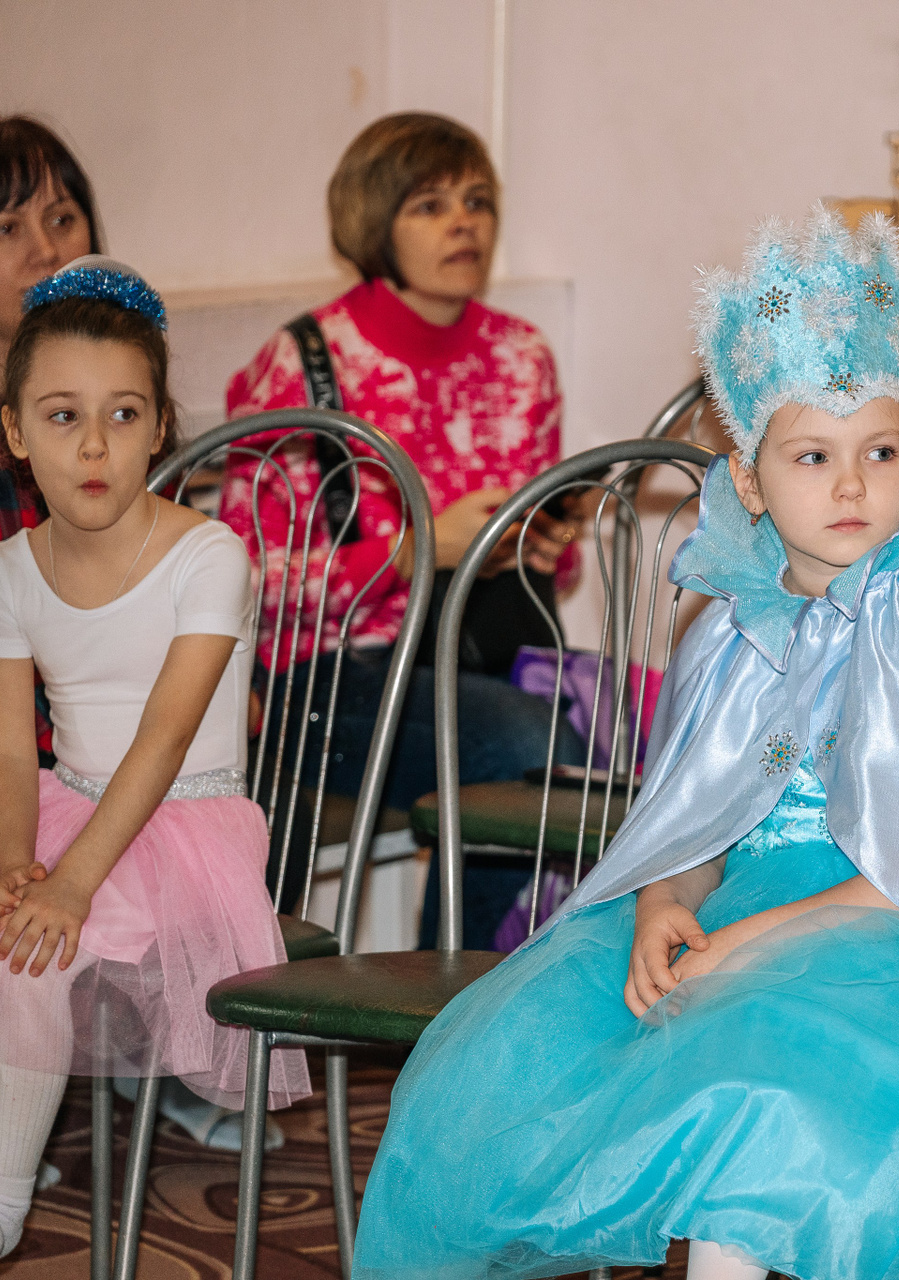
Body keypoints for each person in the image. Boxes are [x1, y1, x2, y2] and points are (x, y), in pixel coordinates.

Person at [350, 206, 899, 1280]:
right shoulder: (728, 628)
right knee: (495, 1080)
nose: (850, 485)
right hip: (743, 917)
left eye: (879, 452)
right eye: (812, 455)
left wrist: (746, 940)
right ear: (749, 479)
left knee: (749, 1093)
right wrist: (664, 903)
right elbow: (691, 817)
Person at [0, 259, 309, 1280]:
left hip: (179, 823)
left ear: (159, 429)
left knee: (32, 951)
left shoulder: (209, 554)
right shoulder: (7, 573)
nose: (94, 445)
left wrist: (66, 885)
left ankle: (3, 1199)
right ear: (16, 431)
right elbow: (8, 748)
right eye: (62, 416)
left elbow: (163, 740)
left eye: (123, 414)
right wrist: (16, 864)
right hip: (62, 808)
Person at [220, 112, 576, 950]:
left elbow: (546, 580)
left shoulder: (524, 357)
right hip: (322, 680)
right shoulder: (302, 364)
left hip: (468, 657)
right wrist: (412, 553)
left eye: (478, 201)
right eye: (430, 205)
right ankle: (451, 994)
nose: (464, 223)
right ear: (374, 222)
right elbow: (242, 582)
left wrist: (538, 553)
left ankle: (463, 988)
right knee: (526, 742)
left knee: (584, 731)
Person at [0, 115, 97, 830]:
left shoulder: (117, 393)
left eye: (62, 219)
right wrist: (47, 710)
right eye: (6, 228)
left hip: (99, 717)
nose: (47, 250)